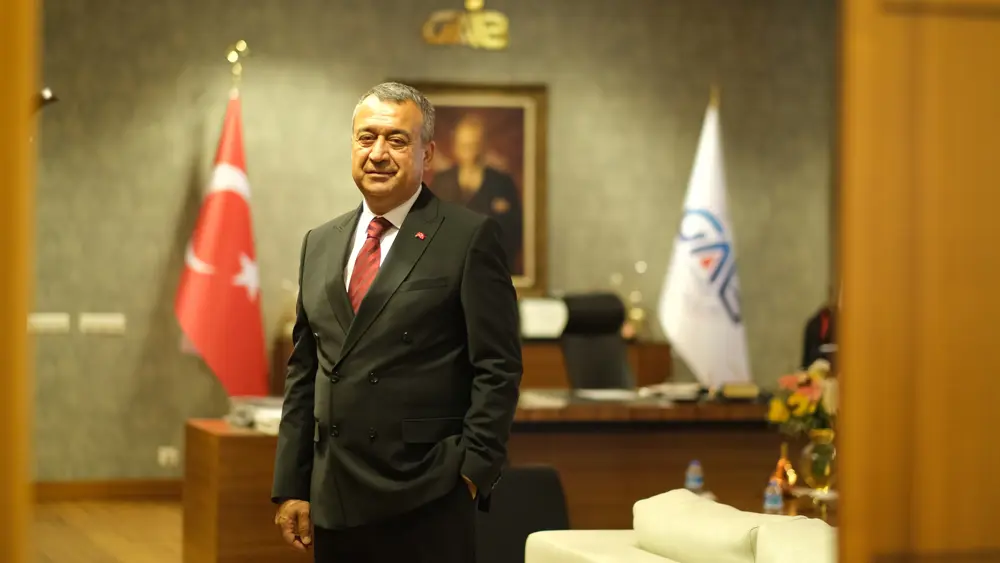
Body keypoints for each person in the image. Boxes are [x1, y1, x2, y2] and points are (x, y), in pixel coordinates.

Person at [270, 82, 523, 563]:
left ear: (427, 154)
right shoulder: (319, 243)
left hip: (427, 493)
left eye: (397, 140)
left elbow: (498, 366)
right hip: (335, 493)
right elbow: (304, 373)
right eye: (367, 138)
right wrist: (292, 485)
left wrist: (473, 470)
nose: (378, 153)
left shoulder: (468, 237)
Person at [428, 114, 524, 273]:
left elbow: (516, 232)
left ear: (484, 145)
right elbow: (428, 227)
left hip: (490, 269)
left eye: (474, 145)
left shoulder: (502, 183)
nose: (469, 152)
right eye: (464, 145)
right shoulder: (441, 182)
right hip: (448, 269)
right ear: (455, 146)